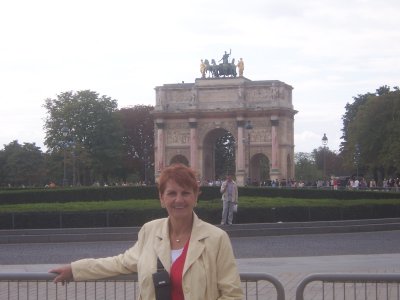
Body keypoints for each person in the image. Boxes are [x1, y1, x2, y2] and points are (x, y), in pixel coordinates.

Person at [50, 164, 243, 300]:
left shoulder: (217, 238)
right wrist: (75, 270)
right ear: (161, 198)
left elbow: (232, 294)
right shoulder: (150, 230)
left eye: (185, 193)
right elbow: (120, 263)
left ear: (195, 197)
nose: (179, 200)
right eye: (171, 193)